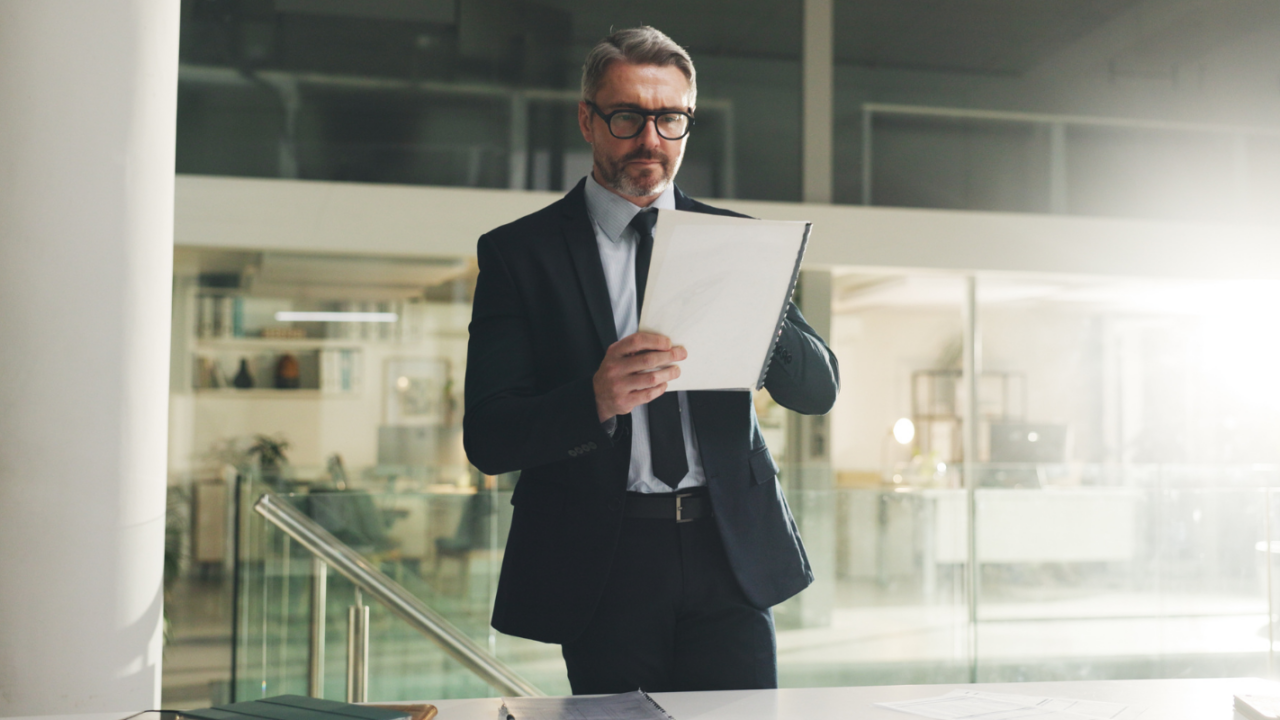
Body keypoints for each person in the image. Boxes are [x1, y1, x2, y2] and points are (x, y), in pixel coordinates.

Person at [462, 26, 839, 694]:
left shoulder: (737, 244)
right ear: (587, 118)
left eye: (671, 119)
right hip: (604, 560)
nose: (651, 139)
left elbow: (818, 390)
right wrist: (594, 397)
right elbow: (489, 436)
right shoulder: (521, 256)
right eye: (628, 116)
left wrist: (756, 302)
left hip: (729, 551)